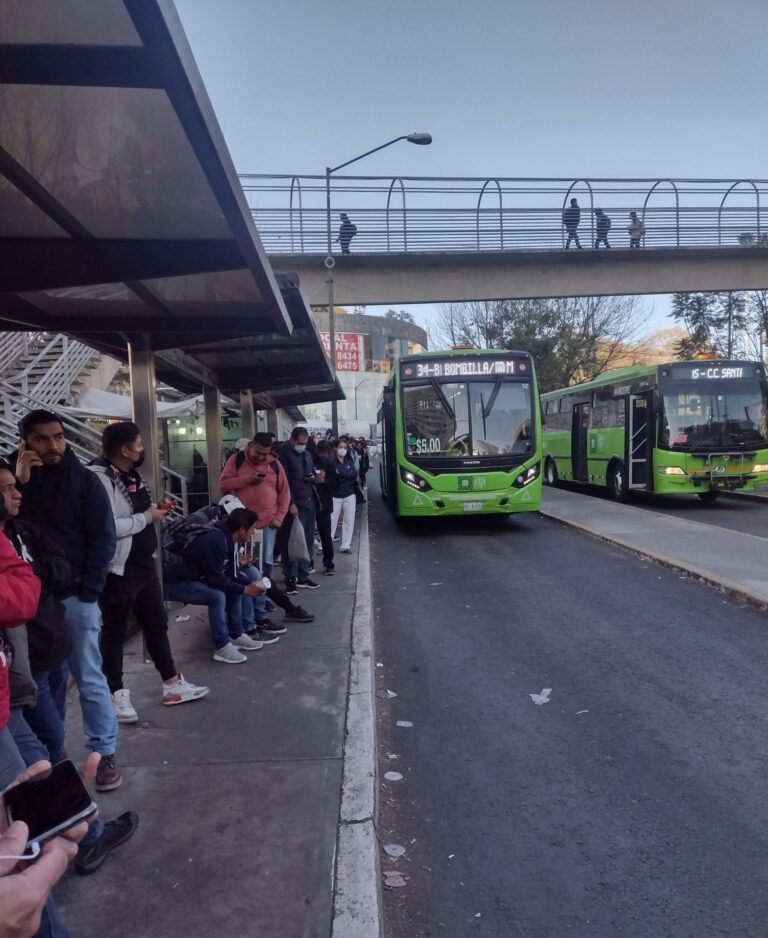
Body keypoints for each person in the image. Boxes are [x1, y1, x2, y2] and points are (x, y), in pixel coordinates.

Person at [12, 411, 121, 794]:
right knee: (41, 684)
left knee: (88, 675)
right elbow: (11, 529)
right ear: (24, 441)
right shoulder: (13, 482)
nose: (53, 445)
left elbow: (103, 539)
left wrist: (89, 592)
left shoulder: (84, 481)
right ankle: (52, 756)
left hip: (74, 598)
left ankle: (104, 751)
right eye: (41, 439)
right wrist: (23, 483)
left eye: (58, 437)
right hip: (28, 605)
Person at [89, 422, 208, 724]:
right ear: (125, 450)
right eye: (140, 445)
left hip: (144, 564)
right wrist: (147, 516)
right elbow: (108, 526)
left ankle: (171, 682)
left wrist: (156, 509)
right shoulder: (99, 478)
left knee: (156, 623)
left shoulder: (131, 475)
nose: (144, 450)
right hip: (119, 569)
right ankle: (115, 693)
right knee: (114, 631)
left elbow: (138, 511)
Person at [164, 507, 267, 664]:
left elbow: (231, 575)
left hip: (195, 577)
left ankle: (237, 635)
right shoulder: (216, 540)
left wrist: (250, 585)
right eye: (252, 529)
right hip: (173, 582)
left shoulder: (229, 540)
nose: (253, 533)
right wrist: (245, 589)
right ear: (241, 529)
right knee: (217, 596)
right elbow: (215, 579)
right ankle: (221, 646)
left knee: (234, 587)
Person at [218, 432, 291, 578]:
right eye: (258, 452)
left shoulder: (274, 464)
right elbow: (223, 483)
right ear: (250, 446)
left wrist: (280, 517)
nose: (261, 457)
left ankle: (265, 591)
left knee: (266, 561)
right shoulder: (237, 459)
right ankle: (246, 589)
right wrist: (247, 480)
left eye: (265, 454)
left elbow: (285, 493)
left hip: (267, 521)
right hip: (242, 524)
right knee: (243, 560)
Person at [278, 427, 321, 592]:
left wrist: (314, 478)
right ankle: (290, 576)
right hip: (295, 503)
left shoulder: (306, 454)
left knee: (308, 541)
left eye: (304, 443)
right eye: (299, 443)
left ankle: (303, 575)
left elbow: (312, 473)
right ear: (292, 440)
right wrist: (291, 503)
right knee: (293, 540)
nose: (302, 445)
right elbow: (284, 482)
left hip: (310, 500)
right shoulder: (284, 454)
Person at [327, 440, 358, 554]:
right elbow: (334, 477)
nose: (343, 449)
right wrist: (346, 475)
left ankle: (346, 545)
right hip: (335, 495)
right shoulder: (331, 463)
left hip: (349, 494)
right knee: (332, 520)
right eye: (340, 447)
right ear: (335, 448)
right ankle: (326, 544)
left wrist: (341, 474)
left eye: (345, 447)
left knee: (349, 520)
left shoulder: (349, 462)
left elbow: (354, 475)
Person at [312, 440, 335, 576]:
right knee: (308, 536)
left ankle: (329, 564)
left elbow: (335, 484)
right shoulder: (305, 462)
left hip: (324, 504)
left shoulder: (327, 464)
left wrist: (324, 481)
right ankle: (308, 563)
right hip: (308, 504)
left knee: (326, 536)